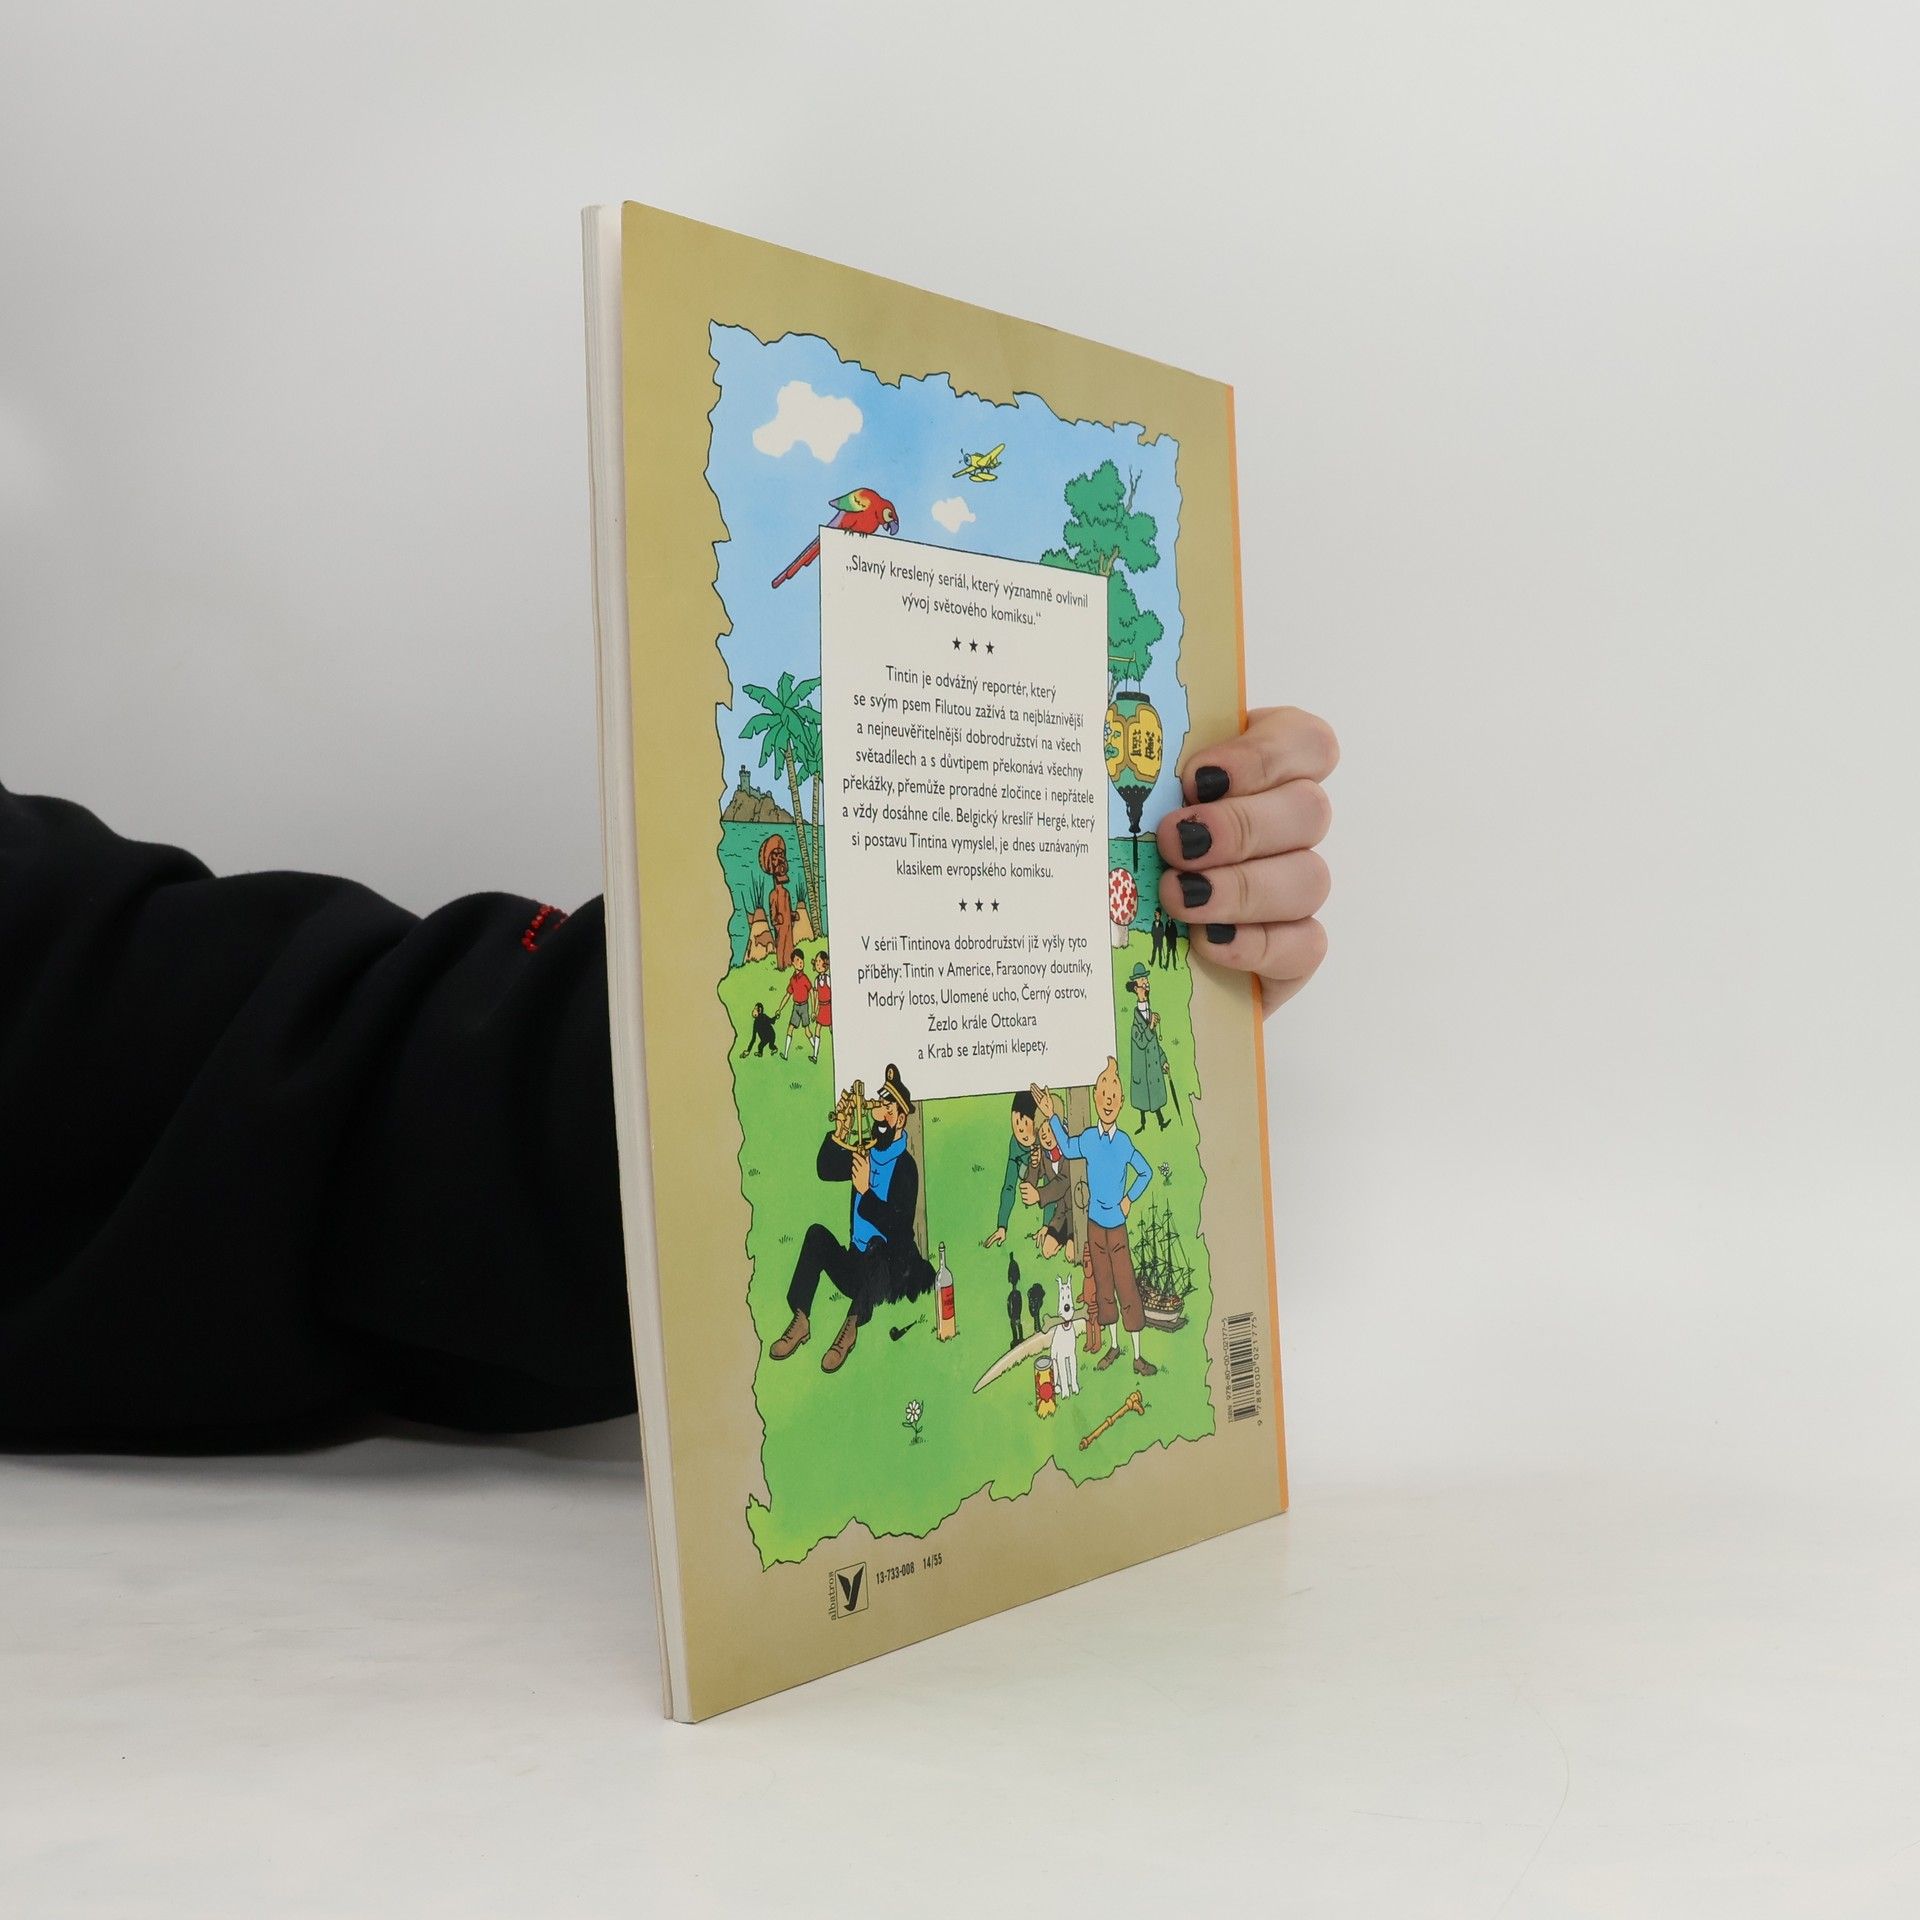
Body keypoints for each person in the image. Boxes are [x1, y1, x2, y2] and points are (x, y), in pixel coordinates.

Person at [0, 704, 1334, 1442]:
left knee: (1058, 1284)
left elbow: (236, 1084)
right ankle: (876, 1313)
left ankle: (952, 1323)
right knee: (876, 1261)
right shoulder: (882, 1146)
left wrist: (981, 962)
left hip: (912, 1236)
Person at [769, 1066, 934, 1376]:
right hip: (856, 1266)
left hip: (887, 1274)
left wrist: (865, 1192)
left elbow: (900, 1232)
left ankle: (850, 1327)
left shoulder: (905, 1167)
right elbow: (825, 1168)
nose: (880, 1115)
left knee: (877, 1249)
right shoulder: (866, 1151)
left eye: (889, 1110)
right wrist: (841, 1131)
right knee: (816, 1236)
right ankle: (801, 1320)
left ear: (900, 1120)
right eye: (880, 1106)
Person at [1125, 961, 1172, 1130]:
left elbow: (1154, 1044)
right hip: (1142, 1071)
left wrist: (1163, 1060)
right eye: (1142, 981)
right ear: (1136, 988)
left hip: (1153, 1067)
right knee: (1143, 1100)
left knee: (1155, 1098)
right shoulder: (1135, 1023)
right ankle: (1142, 1124)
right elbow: (1141, 1042)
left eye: (1146, 980)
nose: (1146, 984)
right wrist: (1150, 1026)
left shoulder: (1149, 1013)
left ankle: (1161, 1122)